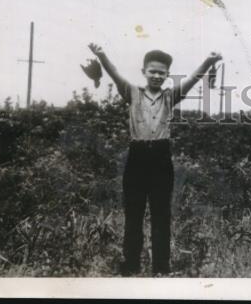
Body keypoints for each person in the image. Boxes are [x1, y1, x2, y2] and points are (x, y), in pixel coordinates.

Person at [88, 42, 222, 276]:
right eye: (153, 71)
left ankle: (161, 269)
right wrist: (101, 55)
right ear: (144, 72)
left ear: (167, 76)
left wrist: (209, 62)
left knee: (161, 215)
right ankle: (130, 267)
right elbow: (114, 72)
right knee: (134, 214)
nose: (157, 76)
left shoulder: (171, 97)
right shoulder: (131, 92)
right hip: (137, 158)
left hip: (161, 158)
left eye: (162, 73)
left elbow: (192, 79)